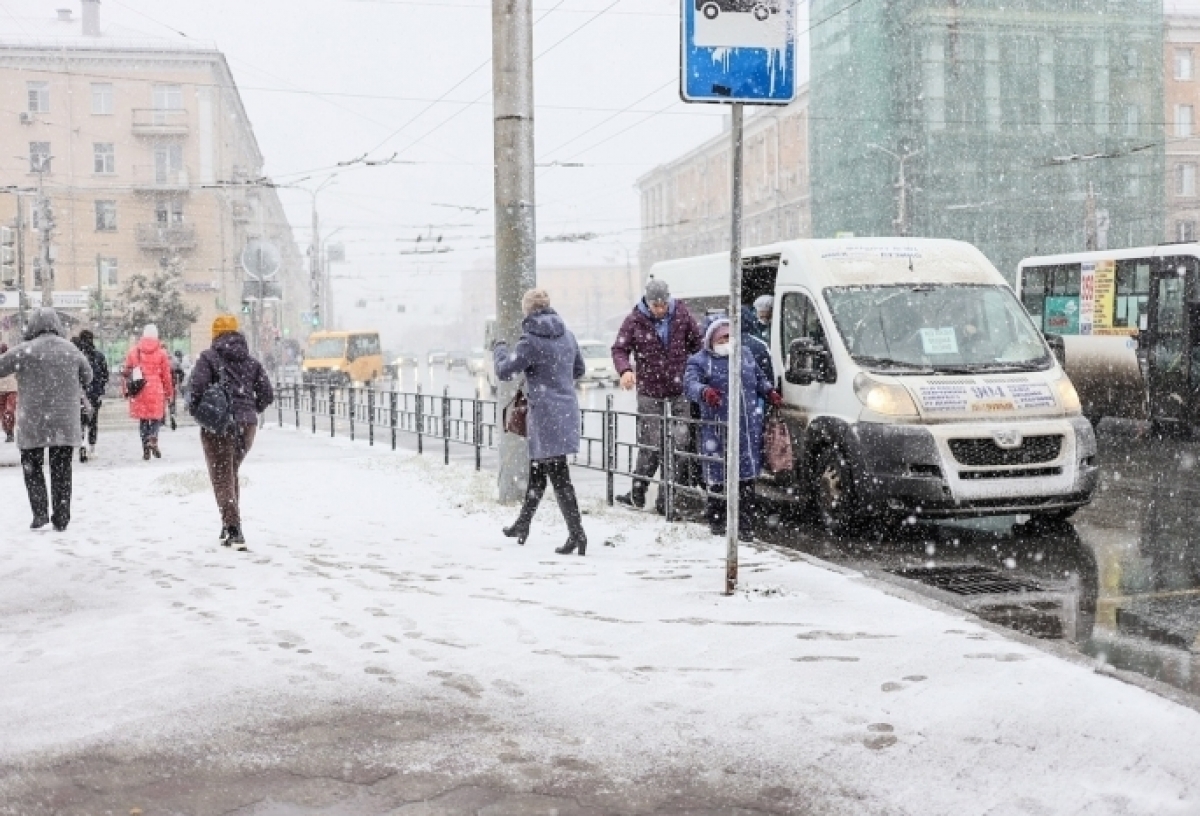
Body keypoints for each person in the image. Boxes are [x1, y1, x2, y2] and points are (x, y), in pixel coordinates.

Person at [494, 288, 588, 556]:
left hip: (545, 415)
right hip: (566, 411)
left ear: (527, 311)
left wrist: (500, 348)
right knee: (539, 471)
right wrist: (557, 377)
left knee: (559, 476)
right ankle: (523, 525)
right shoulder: (567, 336)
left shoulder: (530, 341)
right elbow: (579, 369)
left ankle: (577, 535)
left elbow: (504, 370)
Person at [683, 317, 781, 541]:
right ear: (712, 340)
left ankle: (745, 526)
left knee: (746, 477)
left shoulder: (744, 355)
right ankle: (717, 522)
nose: (728, 341)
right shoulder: (700, 361)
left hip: (747, 428)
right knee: (718, 475)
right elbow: (689, 384)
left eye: (730, 336)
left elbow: (758, 377)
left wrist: (768, 391)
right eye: (723, 338)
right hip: (717, 428)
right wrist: (704, 392)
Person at [610, 279, 704, 513]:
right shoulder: (635, 320)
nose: (660, 309)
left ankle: (666, 498)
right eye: (655, 305)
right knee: (651, 444)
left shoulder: (682, 315)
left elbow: (697, 344)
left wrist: (697, 371)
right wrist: (626, 370)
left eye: (663, 304)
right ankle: (638, 492)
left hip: (679, 389)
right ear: (647, 302)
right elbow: (619, 349)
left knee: (679, 444)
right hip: (650, 391)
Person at [0, 309, 92, 531]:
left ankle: (39, 512)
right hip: (64, 420)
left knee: (32, 466)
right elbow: (88, 376)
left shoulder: (24, 351)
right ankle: (61, 516)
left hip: (33, 419)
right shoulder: (71, 350)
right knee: (61, 469)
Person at [188, 315, 273, 551]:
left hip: (218, 425)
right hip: (247, 427)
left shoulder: (209, 357)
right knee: (230, 471)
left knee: (221, 476)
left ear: (215, 334)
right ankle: (229, 525)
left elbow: (196, 389)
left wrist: (199, 412)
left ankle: (234, 528)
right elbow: (267, 393)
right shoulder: (251, 361)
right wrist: (250, 409)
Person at [123, 324, 174, 460]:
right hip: (156, 388)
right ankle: (153, 438)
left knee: (143, 420)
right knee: (156, 417)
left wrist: (126, 390)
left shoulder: (134, 351)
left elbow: (127, 372)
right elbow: (166, 376)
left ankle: (145, 446)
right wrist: (169, 393)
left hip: (139, 388)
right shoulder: (162, 353)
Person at [73, 330, 110, 463]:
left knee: (80, 421)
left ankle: (81, 445)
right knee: (93, 422)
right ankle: (92, 448)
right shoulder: (99, 356)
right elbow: (105, 375)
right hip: (94, 393)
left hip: (79, 393)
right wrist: (99, 389)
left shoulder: (76, 355)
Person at [0, 343, 17, 444]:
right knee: (3, 413)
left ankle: (10, 432)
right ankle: (9, 433)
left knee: (9, 411)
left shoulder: (12, 361)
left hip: (11, 389)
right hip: (1, 390)